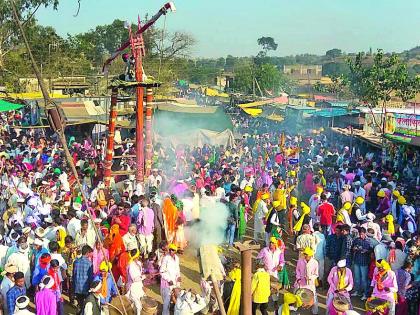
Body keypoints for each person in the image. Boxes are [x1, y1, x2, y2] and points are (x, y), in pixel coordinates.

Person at [294, 247, 319, 314]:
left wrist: (310, 277)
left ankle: (315, 312)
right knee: (296, 297)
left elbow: (316, 274)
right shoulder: (300, 260)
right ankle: (295, 311)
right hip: (300, 282)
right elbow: (297, 270)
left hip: (310, 284)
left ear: (310, 255)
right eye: (304, 254)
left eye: (306, 254)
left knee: (314, 299)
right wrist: (298, 277)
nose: (305, 255)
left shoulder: (315, 263)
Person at [160, 243, 181, 315]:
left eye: (173, 250)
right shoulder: (166, 258)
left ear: (175, 251)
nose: (171, 251)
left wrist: (178, 277)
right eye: (170, 250)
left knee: (177, 298)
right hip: (167, 283)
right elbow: (161, 272)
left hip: (175, 282)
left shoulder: (177, 258)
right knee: (166, 301)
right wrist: (169, 280)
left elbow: (177, 269)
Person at [351, 227, 372, 300]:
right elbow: (352, 248)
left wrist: (366, 251)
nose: (361, 236)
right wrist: (354, 249)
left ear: (365, 233)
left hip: (364, 262)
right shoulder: (356, 240)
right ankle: (357, 291)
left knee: (364, 279)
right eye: (360, 234)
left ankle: (365, 294)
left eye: (362, 234)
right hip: (357, 261)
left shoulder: (369, 241)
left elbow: (371, 251)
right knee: (357, 278)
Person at [73, 245, 93, 310]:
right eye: (90, 253)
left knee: (80, 303)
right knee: (85, 305)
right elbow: (90, 277)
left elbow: (74, 274)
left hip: (77, 287)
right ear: (87, 253)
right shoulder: (89, 264)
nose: (91, 254)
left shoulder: (76, 262)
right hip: (85, 287)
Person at [126, 249, 145, 315]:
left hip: (139, 286)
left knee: (140, 304)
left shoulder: (139, 263)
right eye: (138, 256)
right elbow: (134, 279)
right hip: (133, 287)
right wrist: (144, 277)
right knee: (138, 306)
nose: (138, 257)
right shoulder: (131, 265)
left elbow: (140, 274)